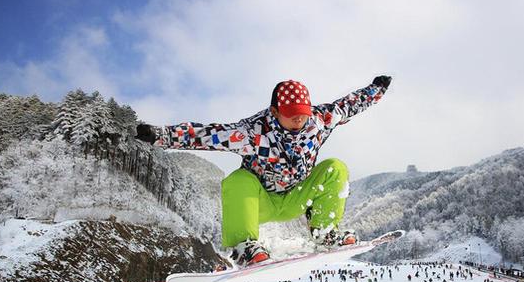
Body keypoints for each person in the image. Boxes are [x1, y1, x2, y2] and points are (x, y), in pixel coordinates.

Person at [137, 76, 392, 266]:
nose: (298, 121)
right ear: (274, 112)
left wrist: (376, 89)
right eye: (291, 116)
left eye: (302, 115)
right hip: (262, 203)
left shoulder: (319, 121)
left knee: (335, 168)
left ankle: (324, 231)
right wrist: (159, 135)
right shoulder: (251, 132)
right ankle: (244, 246)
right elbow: (206, 135)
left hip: (297, 199)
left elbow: (349, 105)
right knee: (238, 180)